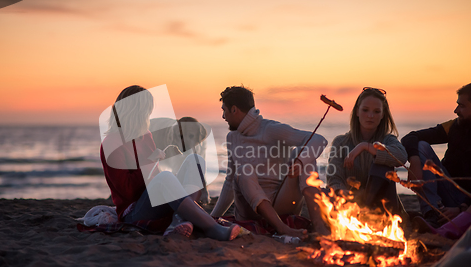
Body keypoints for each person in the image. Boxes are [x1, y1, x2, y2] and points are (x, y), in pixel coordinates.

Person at [100, 85, 239, 240]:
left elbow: (154, 177)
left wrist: (167, 165)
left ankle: (180, 219)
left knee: (195, 160)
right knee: (165, 177)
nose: (149, 115)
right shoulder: (111, 143)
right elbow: (128, 191)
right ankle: (213, 228)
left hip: (154, 200)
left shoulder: (145, 135)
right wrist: (152, 161)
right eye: (146, 111)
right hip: (133, 211)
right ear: (132, 112)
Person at [210, 86, 328, 238]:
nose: (223, 116)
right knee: (243, 171)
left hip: (281, 204)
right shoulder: (232, 138)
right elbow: (230, 182)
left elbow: (319, 140)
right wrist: (212, 217)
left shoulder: (272, 129)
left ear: (234, 110)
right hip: (249, 210)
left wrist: (300, 161)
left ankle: (318, 225)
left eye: (224, 110)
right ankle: (282, 229)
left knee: (305, 156)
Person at [402, 83, 471, 234]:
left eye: (462, 106)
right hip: (448, 192)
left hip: (467, 205)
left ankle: (447, 225)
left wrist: (462, 208)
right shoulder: (454, 127)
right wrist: (414, 163)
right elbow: (411, 137)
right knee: (421, 146)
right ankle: (432, 213)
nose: (456, 110)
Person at [326, 87, 407, 215]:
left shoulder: (387, 140)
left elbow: (401, 157)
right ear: (357, 111)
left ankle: (369, 214)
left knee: (382, 168)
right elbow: (333, 177)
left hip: (383, 207)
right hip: (351, 205)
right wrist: (341, 191)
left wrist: (365, 146)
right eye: (365, 110)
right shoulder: (341, 142)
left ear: (382, 115)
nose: (370, 116)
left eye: (376, 111)